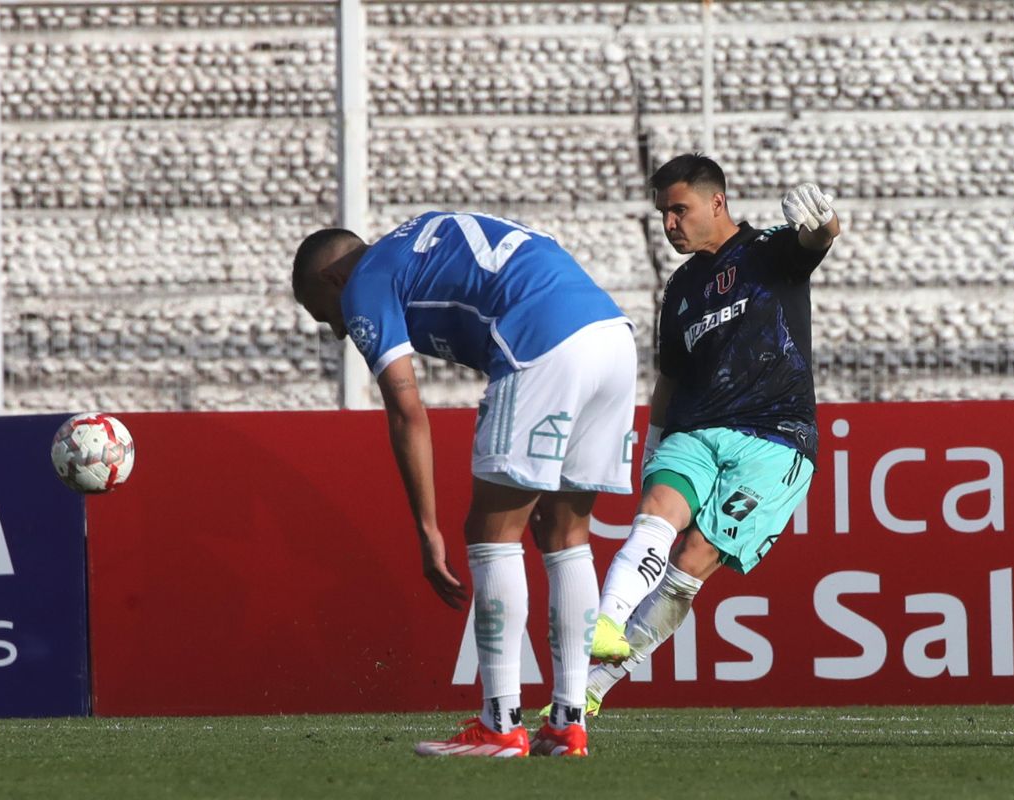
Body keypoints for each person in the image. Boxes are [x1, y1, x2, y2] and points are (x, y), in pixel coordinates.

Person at [292, 211, 637, 757]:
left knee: (490, 531)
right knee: (565, 537)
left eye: (324, 314)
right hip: (612, 338)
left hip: (541, 339)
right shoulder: (415, 244)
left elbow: (407, 411)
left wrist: (427, 530)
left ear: (333, 279)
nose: (338, 330)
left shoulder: (364, 281)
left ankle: (500, 725)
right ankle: (568, 724)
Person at [582, 153, 840, 712]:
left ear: (716, 202)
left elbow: (816, 240)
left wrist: (823, 222)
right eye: (663, 214)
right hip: (695, 430)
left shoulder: (768, 250)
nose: (670, 224)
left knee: (691, 562)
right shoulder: (679, 289)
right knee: (656, 514)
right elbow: (668, 378)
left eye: (679, 210)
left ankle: (592, 689)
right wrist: (652, 446)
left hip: (776, 437)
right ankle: (605, 622)